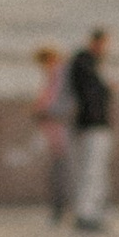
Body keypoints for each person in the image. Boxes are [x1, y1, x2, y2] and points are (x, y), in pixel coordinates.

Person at [66, 27, 115, 234]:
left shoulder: (88, 64)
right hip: (91, 126)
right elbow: (90, 96)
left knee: (95, 172)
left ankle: (92, 212)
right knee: (91, 171)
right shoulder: (84, 63)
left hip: (93, 125)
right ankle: (86, 214)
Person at [30, 44, 70, 224]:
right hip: (55, 134)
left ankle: (61, 210)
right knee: (58, 173)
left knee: (62, 173)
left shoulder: (60, 75)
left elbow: (59, 103)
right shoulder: (54, 76)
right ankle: (59, 209)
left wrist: (44, 112)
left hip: (62, 133)